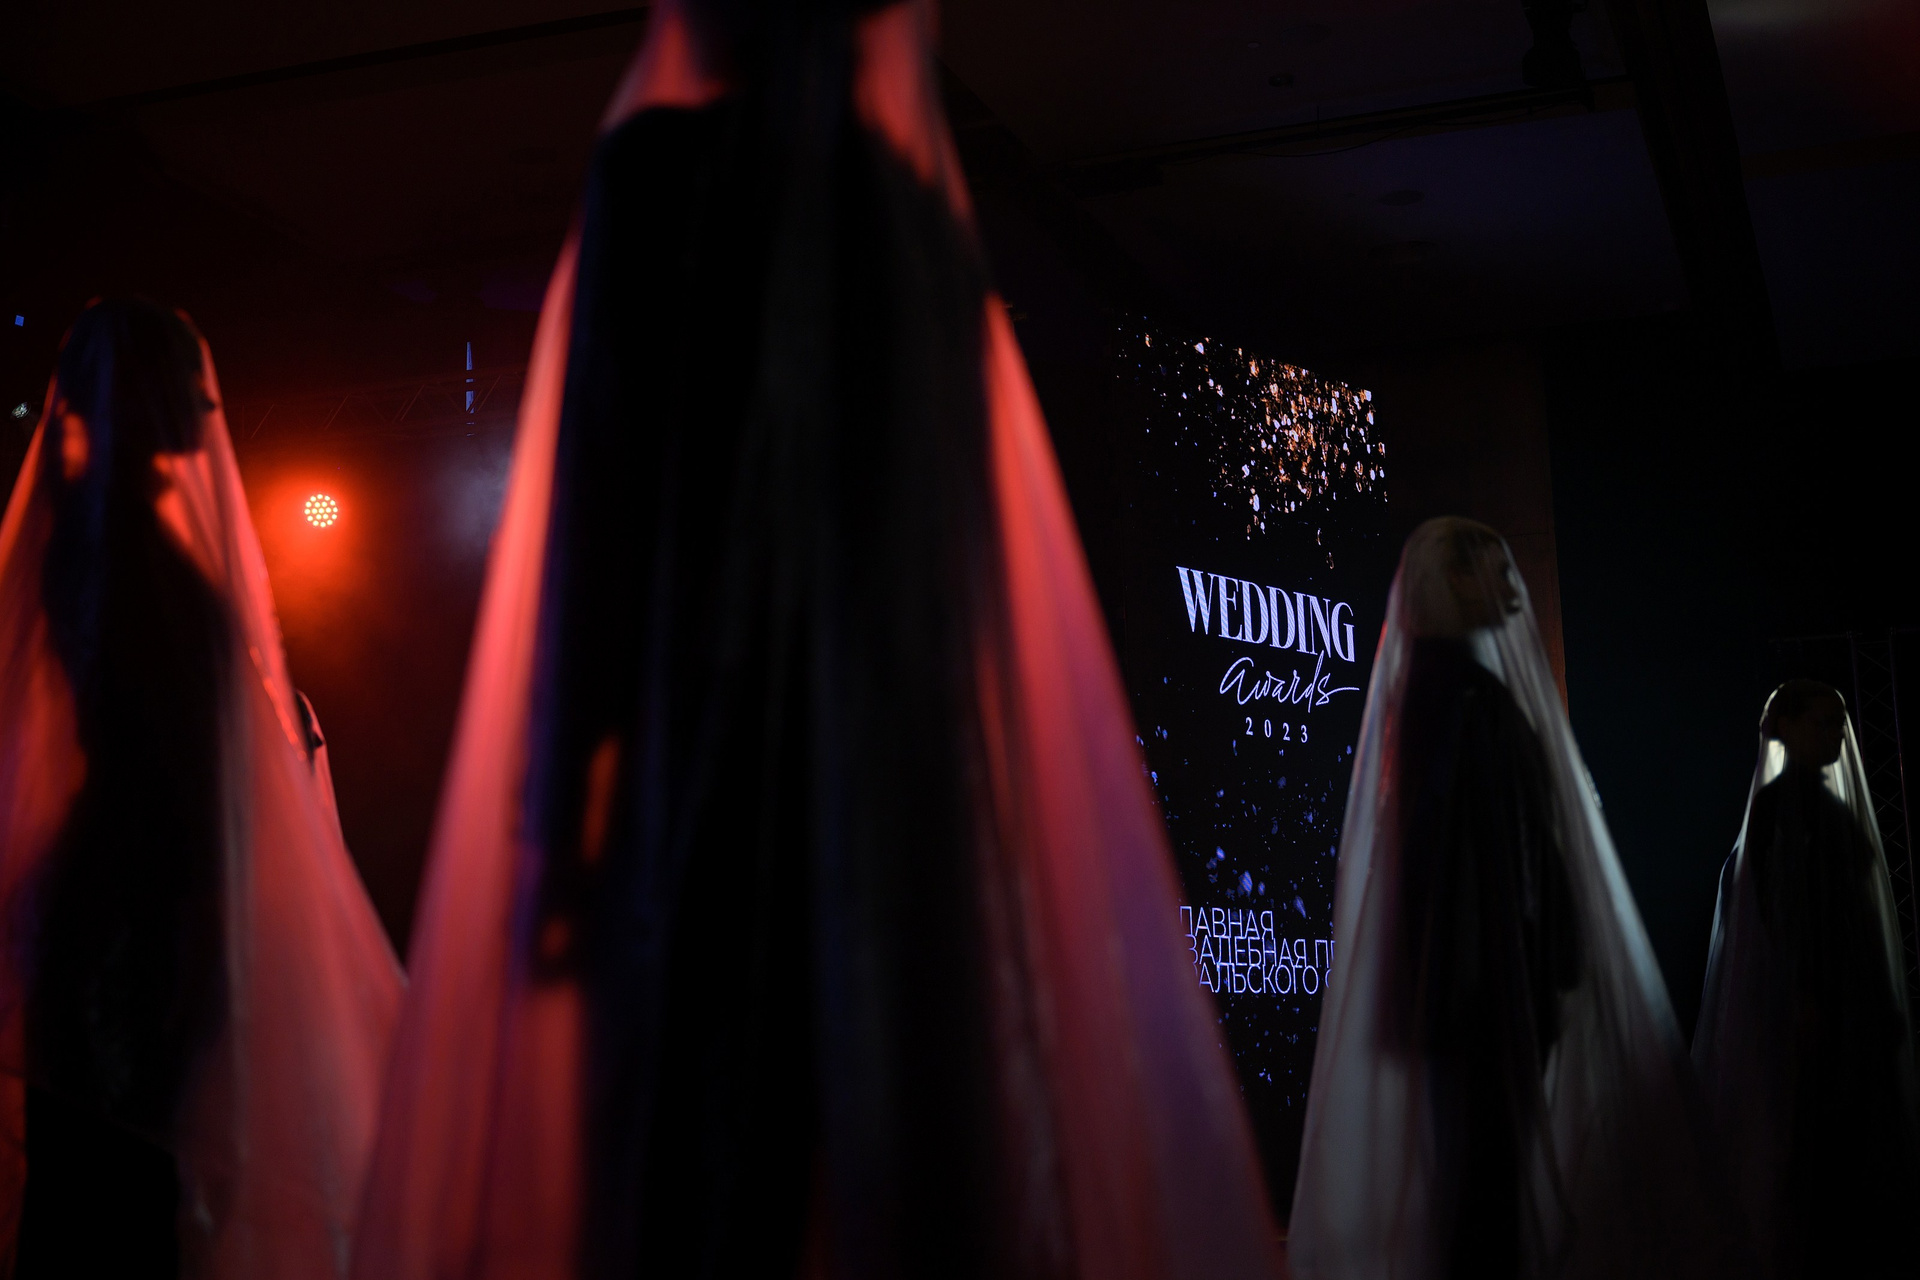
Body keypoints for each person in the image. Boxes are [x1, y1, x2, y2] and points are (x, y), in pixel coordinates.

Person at [348, 2, 1285, 1277]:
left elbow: (602, 508)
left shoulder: (658, 178)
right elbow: (962, 550)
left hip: (699, 746)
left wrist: (558, 798)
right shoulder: (911, 218)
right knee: (898, 1145)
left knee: (697, 1155)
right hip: (901, 767)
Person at [0, 299, 403, 1278]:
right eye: (188, 382)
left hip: (140, 898)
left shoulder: (112, 533)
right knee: (122, 1190)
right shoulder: (116, 545)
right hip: (135, 911)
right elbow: (160, 745)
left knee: (124, 1190)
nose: (206, 403)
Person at [1290, 517, 1748, 1280]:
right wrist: (1526, 976)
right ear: (1453, 580)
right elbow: (1484, 858)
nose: (1512, 587)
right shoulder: (1463, 699)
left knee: (1481, 1189)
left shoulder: (1442, 694)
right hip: (1480, 993)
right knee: (1486, 1194)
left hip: (1471, 990)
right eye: (1495, 571)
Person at [1694, 680, 1920, 1278]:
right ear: (1788, 728)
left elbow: (1854, 917)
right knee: (1809, 1135)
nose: (1836, 736)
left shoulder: (1828, 812)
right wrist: (1802, 995)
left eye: (1839, 725)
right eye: (1822, 723)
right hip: (1810, 1004)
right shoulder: (1777, 812)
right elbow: (1773, 916)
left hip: (1845, 998)